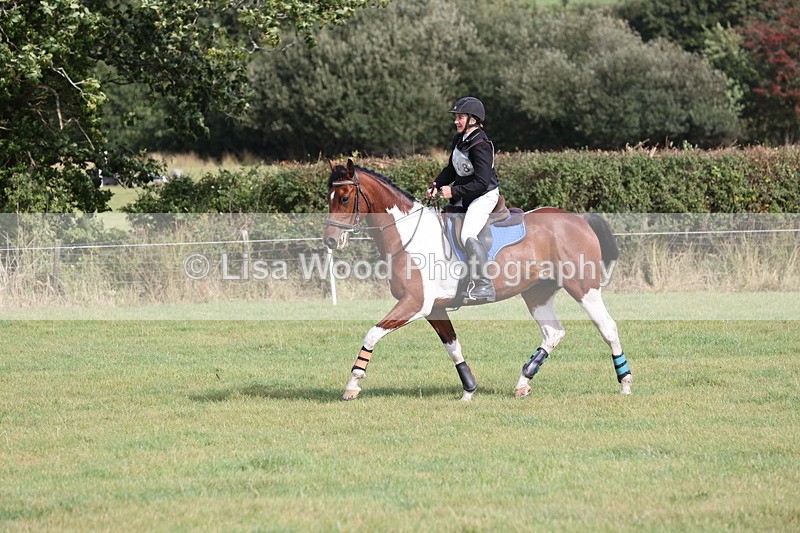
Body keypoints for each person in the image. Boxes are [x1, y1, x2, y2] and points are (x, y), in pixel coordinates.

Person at [427, 96, 499, 302]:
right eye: (456, 117)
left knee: (468, 234)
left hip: (484, 195)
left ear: (473, 119)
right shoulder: (460, 139)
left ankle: (485, 285)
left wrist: (454, 192)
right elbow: (451, 169)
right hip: (468, 194)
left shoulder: (481, 144)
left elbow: (482, 182)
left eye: (460, 117)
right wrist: (436, 185)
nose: (456, 121)